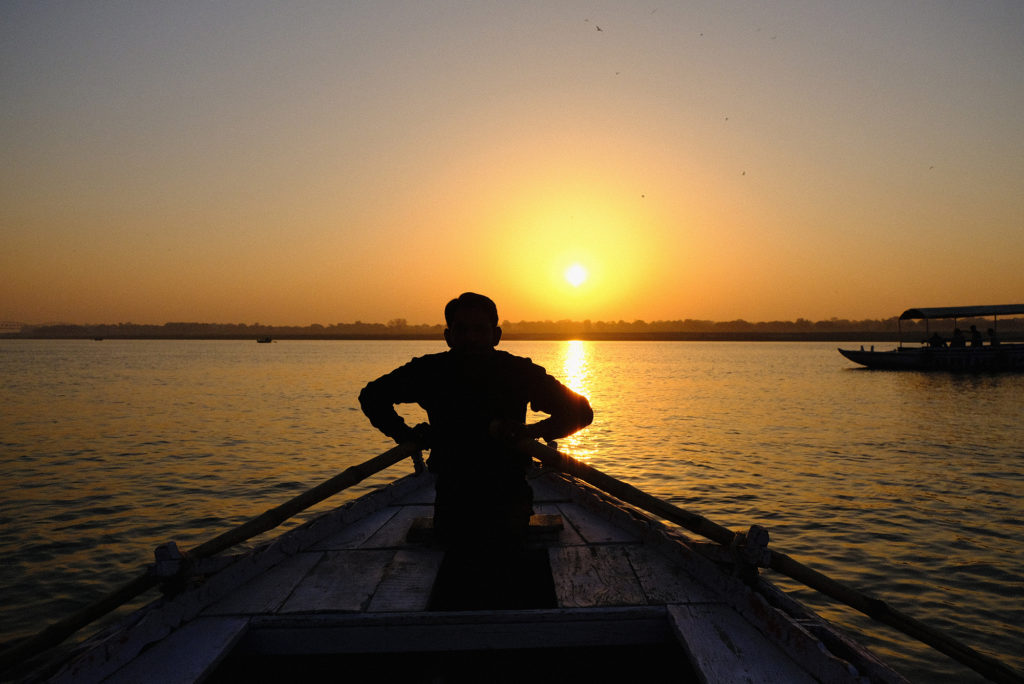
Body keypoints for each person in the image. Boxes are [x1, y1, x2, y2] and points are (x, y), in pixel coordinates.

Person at [359, 292, 593, 547]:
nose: (471, 338)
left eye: (480, 330)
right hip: (454, 494)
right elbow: (372, 397)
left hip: (508, 493)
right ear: (448, 336)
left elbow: (580, 412)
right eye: (462, 330)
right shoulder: (430, 372)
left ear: (496, 335)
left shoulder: (518, 372)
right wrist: (407, 435)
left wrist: (531, 431)